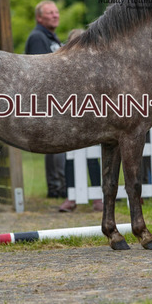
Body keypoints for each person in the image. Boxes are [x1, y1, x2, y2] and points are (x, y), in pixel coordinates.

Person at [25, 0, 67, 199]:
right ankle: (56, 188)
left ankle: (61, 185)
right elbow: (39, 72)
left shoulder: (51, 37)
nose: (55, 15)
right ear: (39, 18)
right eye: (49, 13)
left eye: (56, 12)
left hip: (58, 100)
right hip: (47, 101)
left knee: (60, 144)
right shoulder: (37, 38)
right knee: (55, 144)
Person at [58, 29, 102, 212]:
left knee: (92, 158)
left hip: (90, 118)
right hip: (70, 119)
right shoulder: (62, 65)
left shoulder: (97, 64)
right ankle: (71, 197)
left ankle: (98, 197)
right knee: (70, 158)